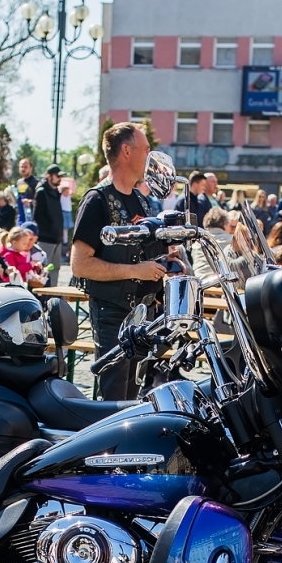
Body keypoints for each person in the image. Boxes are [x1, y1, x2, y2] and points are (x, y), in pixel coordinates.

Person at [69, 121, 168, 401]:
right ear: (126, 151)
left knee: (133, 396)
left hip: (143, 315)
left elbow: (151, 255)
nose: (150, 156)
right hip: (113, 313)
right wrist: (137, 270)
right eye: (146, 149)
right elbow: (80, 265)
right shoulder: (97, 200)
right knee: (113, 398)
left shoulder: (142, 200)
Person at [32, 163, 66, 270]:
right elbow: (38, 216)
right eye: (57, 176)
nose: (60, 179)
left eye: (61, 176)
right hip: (46, 238)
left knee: (55, 269)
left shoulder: (56, 192)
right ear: (49, 176)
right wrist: (50, 229)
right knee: (43, 270)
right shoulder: (42, 192)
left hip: (57, 239)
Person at [14, 158, 37, 226]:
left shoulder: (35, 183)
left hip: (31, 218)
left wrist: (30, 202)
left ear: (31, 168)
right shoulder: (19, 182)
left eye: (26, 167)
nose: (23, 169)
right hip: (20, 217)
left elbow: (40, 201)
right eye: (21, 167)